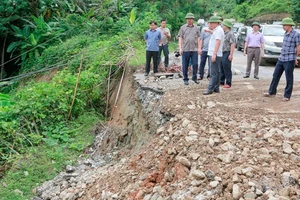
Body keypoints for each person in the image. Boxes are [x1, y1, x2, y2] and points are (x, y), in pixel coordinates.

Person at [263, 18, 300, 101]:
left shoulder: (296, 35)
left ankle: (287, 96)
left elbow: (298, 47)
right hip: (281, 58)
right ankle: (271, 92)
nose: (283, 27)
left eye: (284, 25)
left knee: (289, 78)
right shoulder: (285, 33)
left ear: (289, 25)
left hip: (289, 59)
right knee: (275, 75)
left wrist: (295, 57)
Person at [203, 16, 224, 95]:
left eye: (211, 23)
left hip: (214, 53)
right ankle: (216, 87)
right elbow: (215, 35)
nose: (210, 24)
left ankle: (210, 88)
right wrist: (209, 31)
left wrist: (214, 54)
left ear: (216, 23)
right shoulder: (217, 30)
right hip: (215, 53)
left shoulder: (218, 30)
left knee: (213, 72)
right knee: (217, 72)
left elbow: (218, 42)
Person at [178, 13, 201, 85]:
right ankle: (185, 79)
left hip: (194, 49)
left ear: (193, 20)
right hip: (185, 49)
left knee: (195, 64)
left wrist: (199, 48)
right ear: (186, 20)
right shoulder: (182, 28)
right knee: (185, 65)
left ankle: (194, 77)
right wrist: (180, 48)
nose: (189, 20)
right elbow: (180, 37)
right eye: (188, 19)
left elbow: (199, 38)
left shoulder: (197, 28)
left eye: (191, 19)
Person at [220, 19, 236, 88]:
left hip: (227, 52)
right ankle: (221, 81)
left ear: (227, 26)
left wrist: (231, 54)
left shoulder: (230, 34)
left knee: (227, 67)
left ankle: (228, 82)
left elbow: (232, 44)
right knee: (221, 67)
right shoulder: (223, 33)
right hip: (222, 52)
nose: (222, 26)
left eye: (223, 25)